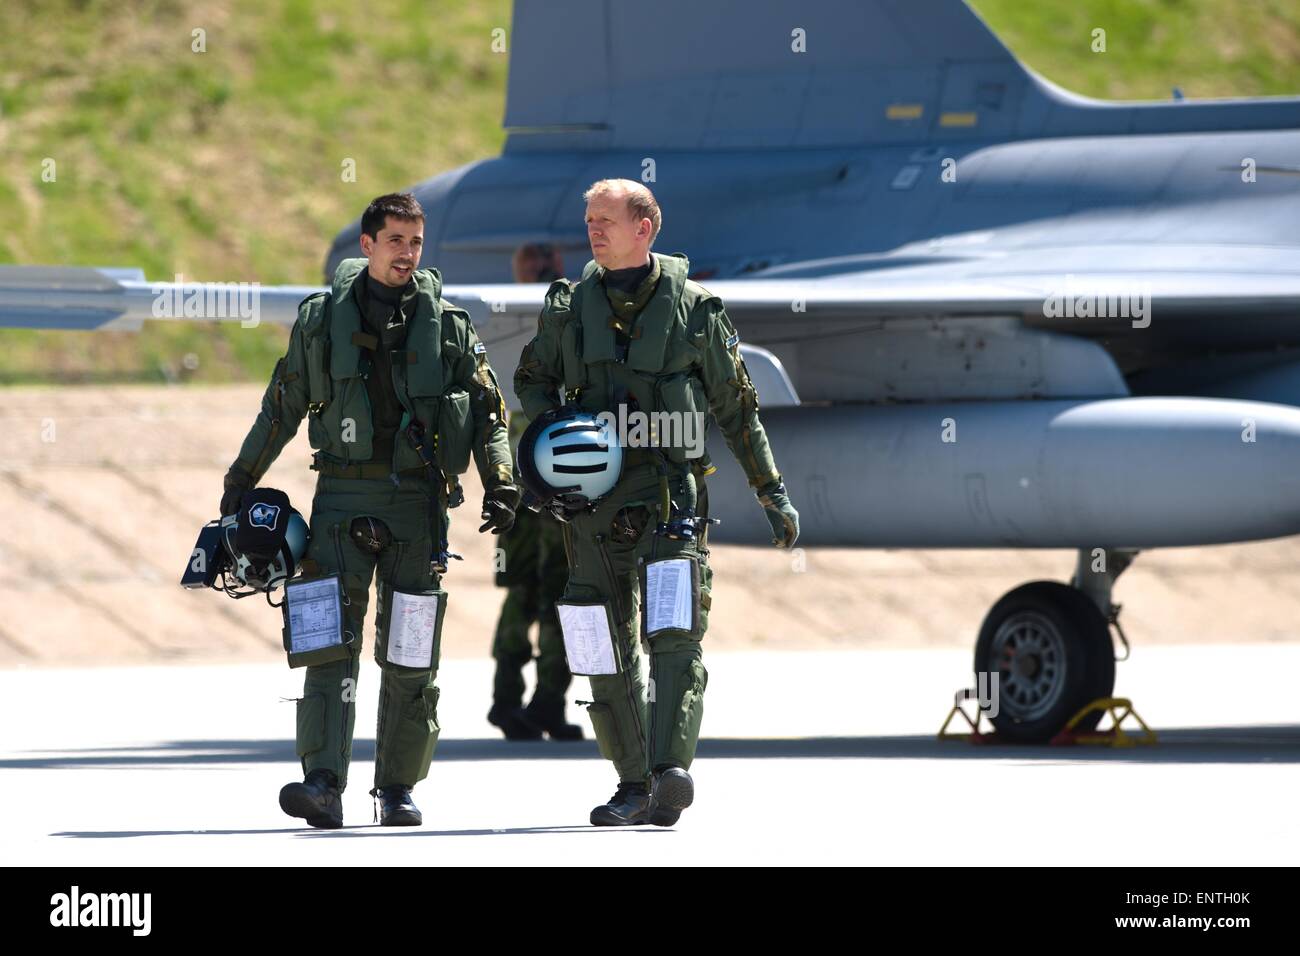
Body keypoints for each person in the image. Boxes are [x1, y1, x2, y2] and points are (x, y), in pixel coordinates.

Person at [221, 192, 518, 828]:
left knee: (411, 650)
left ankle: (398, 788)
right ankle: (323, 783)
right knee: (328, 644)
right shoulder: (320, 321)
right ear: (367, 245)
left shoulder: (450, 325)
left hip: (417, 505)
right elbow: (284, 405)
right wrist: (242, 478)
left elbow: (491, 413)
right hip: (340, 499)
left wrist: (501, 483)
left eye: (415, 242)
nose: (407, 254)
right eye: (395, 242)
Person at [513, 179, 799, 826]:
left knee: (673, 633)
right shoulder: (567, 308)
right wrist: (553, 442)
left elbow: (736, 408)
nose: (593, 231)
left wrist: (771, 490)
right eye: (589, 220)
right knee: (594, 639)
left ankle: (670, 769)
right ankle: (631, 783)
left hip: (668, 494)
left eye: (606, 220)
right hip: (590, 503)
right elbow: (531, 380)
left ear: (645, 229)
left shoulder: (695, 311)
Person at [488, 243, 583, 741]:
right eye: (531, 259)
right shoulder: (497, 322)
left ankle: (544, 700)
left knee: (556, 596)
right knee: (532, 593)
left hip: (556, 486)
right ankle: (512, 699)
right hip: (527, 491)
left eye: (548, 259)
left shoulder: (566, 318)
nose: (542, 267)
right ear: (515, 267)